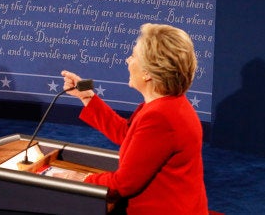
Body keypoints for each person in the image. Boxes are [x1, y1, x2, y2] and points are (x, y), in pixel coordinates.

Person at [61, 23, 208, 214]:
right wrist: (87, 97)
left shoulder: (161, 117)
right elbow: (129, 135)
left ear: (147, 73)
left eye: (134, 56)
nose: (127, 60)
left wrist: (79, 180)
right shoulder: (169, 104)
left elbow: (123, 184)